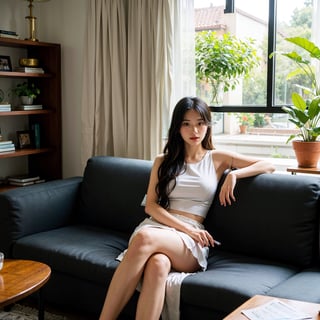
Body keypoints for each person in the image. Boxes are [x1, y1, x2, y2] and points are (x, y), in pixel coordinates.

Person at [99, 97, 275, 320]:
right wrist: (187, 229)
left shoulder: (217, 158)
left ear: (208, 125)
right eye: (186, 123)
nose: (195, 130)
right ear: (177, 127)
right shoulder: (162, 161)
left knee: (144, 239)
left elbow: (268, 165)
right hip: (159, 226)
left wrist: (235, 175)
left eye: (200, 123)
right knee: (158, 264)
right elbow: (151, 207)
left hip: (189, 242)